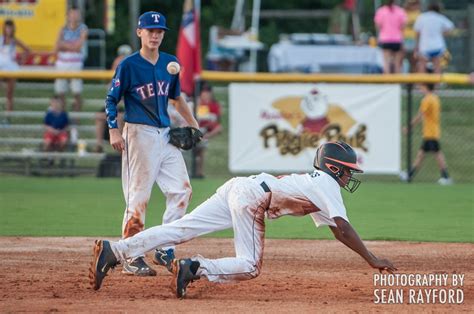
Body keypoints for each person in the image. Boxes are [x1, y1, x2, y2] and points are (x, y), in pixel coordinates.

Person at [90, 141, 397, 299]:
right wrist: (371, 258)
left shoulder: (316, 183)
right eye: (346, 169)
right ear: (332, 166)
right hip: (253, 199)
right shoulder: (328, 184)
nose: (348, 175)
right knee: (249, 266)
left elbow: (336, 231)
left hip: (239, 187)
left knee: (180, 228)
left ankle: (116, 250)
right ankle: (194, 267)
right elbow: (343, 227)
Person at [104, 11, 199, 276]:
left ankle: (164, 248)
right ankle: (130, 255)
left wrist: (193, 125)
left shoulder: (170, 63)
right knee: (139, 197)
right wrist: (113, 131)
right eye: (150, 31)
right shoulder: (129, 65)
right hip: (138, 133)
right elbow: (111, 99)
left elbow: (177, 99)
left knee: (182, 191)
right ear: (140, 33)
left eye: (159, 31)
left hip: (165, 133)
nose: (155, 35)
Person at [401, 83, 452, 185]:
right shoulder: (435, 98)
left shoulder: (427, 100)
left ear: (426, 87)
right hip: (432, 132)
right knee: (421, 155)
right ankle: (409, 175)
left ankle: (446, 177)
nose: (420, 89)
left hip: (430, 133)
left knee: (437, 155)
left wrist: (409, 127)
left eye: (421, 87)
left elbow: (420, 115)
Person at [94, 45, 131, 153]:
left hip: (125, 108)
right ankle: (99, 145)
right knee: (99, 116)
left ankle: (120, 148)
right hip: (115, 107)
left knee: (119, 117)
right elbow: (110, 100)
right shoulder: (114, 80)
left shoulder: (130, 77)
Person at [54, 6, 88, 112]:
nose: (74, 16)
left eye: (76, 14)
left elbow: (78, 46)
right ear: (68, 16)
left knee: (76, 92)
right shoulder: (63, 28)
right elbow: (57, 46)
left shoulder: (83, 28)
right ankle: (62, 117)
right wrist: (71, 45)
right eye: (72, 14)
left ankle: (76, 121)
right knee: (61, 92)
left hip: (75, 63)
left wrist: (64, 45)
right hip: (62, 63)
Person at [414, 2, 454, 74]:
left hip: (424, 45)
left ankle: (421, 83)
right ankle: (437, 84)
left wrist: (416, 46)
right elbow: (451, 27)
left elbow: (417, 32)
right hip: (437, 45)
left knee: (422, 65)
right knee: (437, 65)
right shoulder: (440, 17)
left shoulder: (422, 17)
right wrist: (442, 34)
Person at [0, 19, 30, 111]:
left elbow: (27, 50)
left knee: (9, 94)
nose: (8, 30)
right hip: (1, 67)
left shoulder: (14, 40)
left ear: (13, 29)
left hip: (11, 69)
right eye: (7, 28)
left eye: (10, 28)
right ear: (4, 29)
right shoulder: (1, 39)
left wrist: (21, 61)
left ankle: (8, 118)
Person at [194, 84, 222, 178]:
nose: (206, 94)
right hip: (195, 128)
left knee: (201, 151)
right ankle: (194, 171)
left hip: (205, 131)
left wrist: (208, 134)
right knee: (196, 152)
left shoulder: (214, 105)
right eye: (204, 92)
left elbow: (217, 122)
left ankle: (199, 172)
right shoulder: (197, 102)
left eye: (207, 93)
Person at [374, 0, 407, 74]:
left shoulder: (381, 11)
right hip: (397, 39)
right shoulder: (400, 11)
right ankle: (397, 82)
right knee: (397, 63)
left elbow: (378, 26)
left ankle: (387, 82)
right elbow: (403, 26)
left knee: (386, 63)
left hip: (385, 39)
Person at [402, 0, 421, 73]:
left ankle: (414, 81)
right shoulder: (403, 13)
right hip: (404, 39)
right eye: (411, 4)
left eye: (415, 4)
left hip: (415, 39)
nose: (413, 6)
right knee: (402, 60)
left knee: (414, 61)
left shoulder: (418, 14)